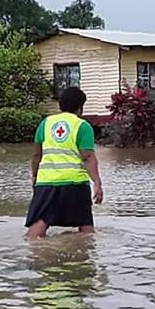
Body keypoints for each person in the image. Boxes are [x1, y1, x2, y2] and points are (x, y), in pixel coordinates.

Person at [26, 87, 103, 240]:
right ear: (80, 107)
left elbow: (36, 155)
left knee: (36, 232)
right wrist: (97, 183)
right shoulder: (82, 126)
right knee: (86, 229)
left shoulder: (45, 123)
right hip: (75, 184)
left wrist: (35, 177)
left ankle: (32, 255)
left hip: (46, 183)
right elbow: (87, 156)